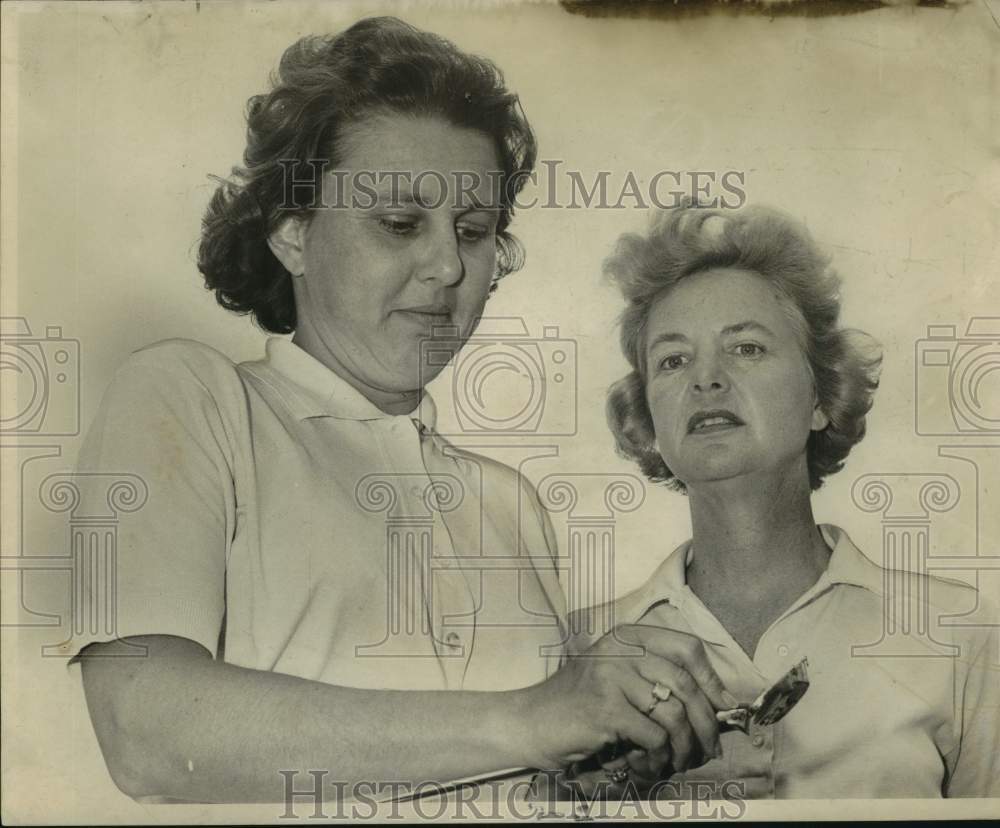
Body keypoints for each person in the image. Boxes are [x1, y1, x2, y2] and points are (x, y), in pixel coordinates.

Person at [70, 17, 734, 804]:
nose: (450, 265)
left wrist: (614, 769)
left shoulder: (510, 505)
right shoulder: (190, 400)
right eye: (398, 223)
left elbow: (509, 769)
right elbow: (146, 733)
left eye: (475, 230)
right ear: (291, 231)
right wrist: (531, 718)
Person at [568, 204, 1000, 798]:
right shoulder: (582, 653)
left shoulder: (961, 635)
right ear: (648, 424)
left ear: (823, 396)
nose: (706, 380)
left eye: (746, 348)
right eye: (672, 360)